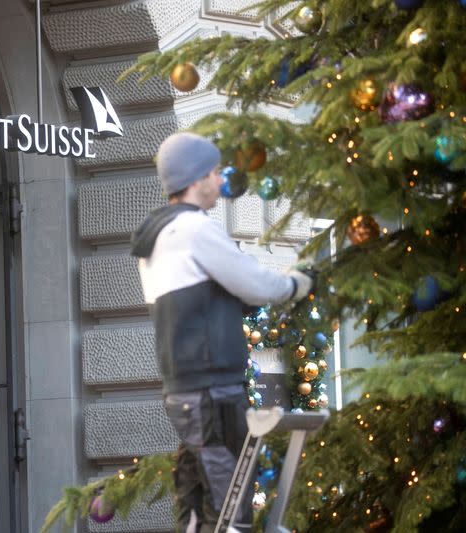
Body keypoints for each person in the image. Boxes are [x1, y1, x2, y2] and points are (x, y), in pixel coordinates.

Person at [131, 132, 313, 533]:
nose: (220, 179)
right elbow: (256, 284)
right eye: (214, 171)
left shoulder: (158, 237)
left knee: (198, 509)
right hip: (214, 393)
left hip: (186, 392)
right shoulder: (194, 230)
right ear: (197, 179)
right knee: (230, 510)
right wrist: (296, 285)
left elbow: (208, 297)